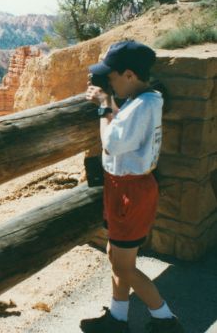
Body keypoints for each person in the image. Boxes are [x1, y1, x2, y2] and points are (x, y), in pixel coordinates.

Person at [81, 40, 183, 333]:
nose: (108, 83)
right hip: (127, 187)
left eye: (110, 77)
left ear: (129, 75)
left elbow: (112, 142)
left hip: (131, 192)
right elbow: (123, 129)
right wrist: (111, 101)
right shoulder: (146, 100)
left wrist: (103, 104)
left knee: (124, 266)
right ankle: (118, 317)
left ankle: (166, 320)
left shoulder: (143, 105)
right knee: (116, 256)